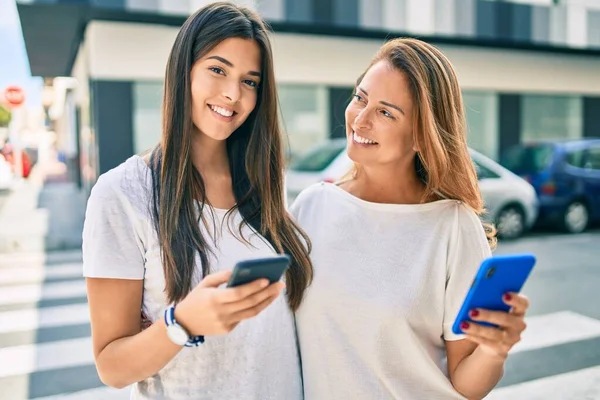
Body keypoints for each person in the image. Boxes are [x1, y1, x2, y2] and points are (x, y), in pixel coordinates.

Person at [82, 2, 312, 399]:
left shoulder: (264, 184)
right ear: (183, 69)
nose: (233, 93)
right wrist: (182, 322)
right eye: (218, 70)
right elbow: (112, 365)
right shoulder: (123, 193)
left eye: (250, 81)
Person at [290, 38, 530, 400]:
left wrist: (496, 349)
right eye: (360, 98)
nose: (361, 118)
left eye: (386, 112)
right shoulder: (311, 207)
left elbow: (466, 384)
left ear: (421, 135)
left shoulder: (453, 226)